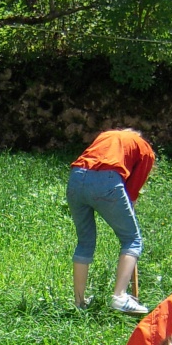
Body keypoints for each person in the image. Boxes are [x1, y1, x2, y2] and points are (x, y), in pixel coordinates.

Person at [66, 128, 156, 314]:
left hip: (75, 177)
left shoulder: (106, 135)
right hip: (106, 181)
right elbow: (131, 194)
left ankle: (79, 302)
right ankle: (120, 297)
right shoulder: (145, 149)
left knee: (85, 242)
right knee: (132, 239)